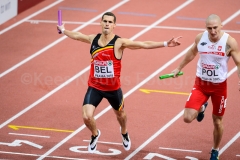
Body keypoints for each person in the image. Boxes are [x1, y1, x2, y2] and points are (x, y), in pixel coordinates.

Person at [57, 12, 182, 153]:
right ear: (100, 22)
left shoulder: (119, 43)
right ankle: (95, 134)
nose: (107, 24)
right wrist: (64, 30)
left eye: (110, 22)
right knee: (86, 116)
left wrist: (165, 43)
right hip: (95, 87)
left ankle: (124, 132)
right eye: (105, 21)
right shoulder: (93, 39)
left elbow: (142, 44)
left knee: (121, 115)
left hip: (113, 89)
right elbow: (78, 36)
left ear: (114, 25)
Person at [172, 14, 240, 160]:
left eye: (215, 27)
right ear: (206, 28)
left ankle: (215, 150)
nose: (213, 31)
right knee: (187, 118)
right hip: (201, 84)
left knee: (217, 121)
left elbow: (239, 62)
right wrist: (179, 67)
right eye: (209, 28)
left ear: (221, 26)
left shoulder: (229, 42)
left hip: (219, 88)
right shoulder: (200, 38)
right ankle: (202, 106)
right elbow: (192, 52)